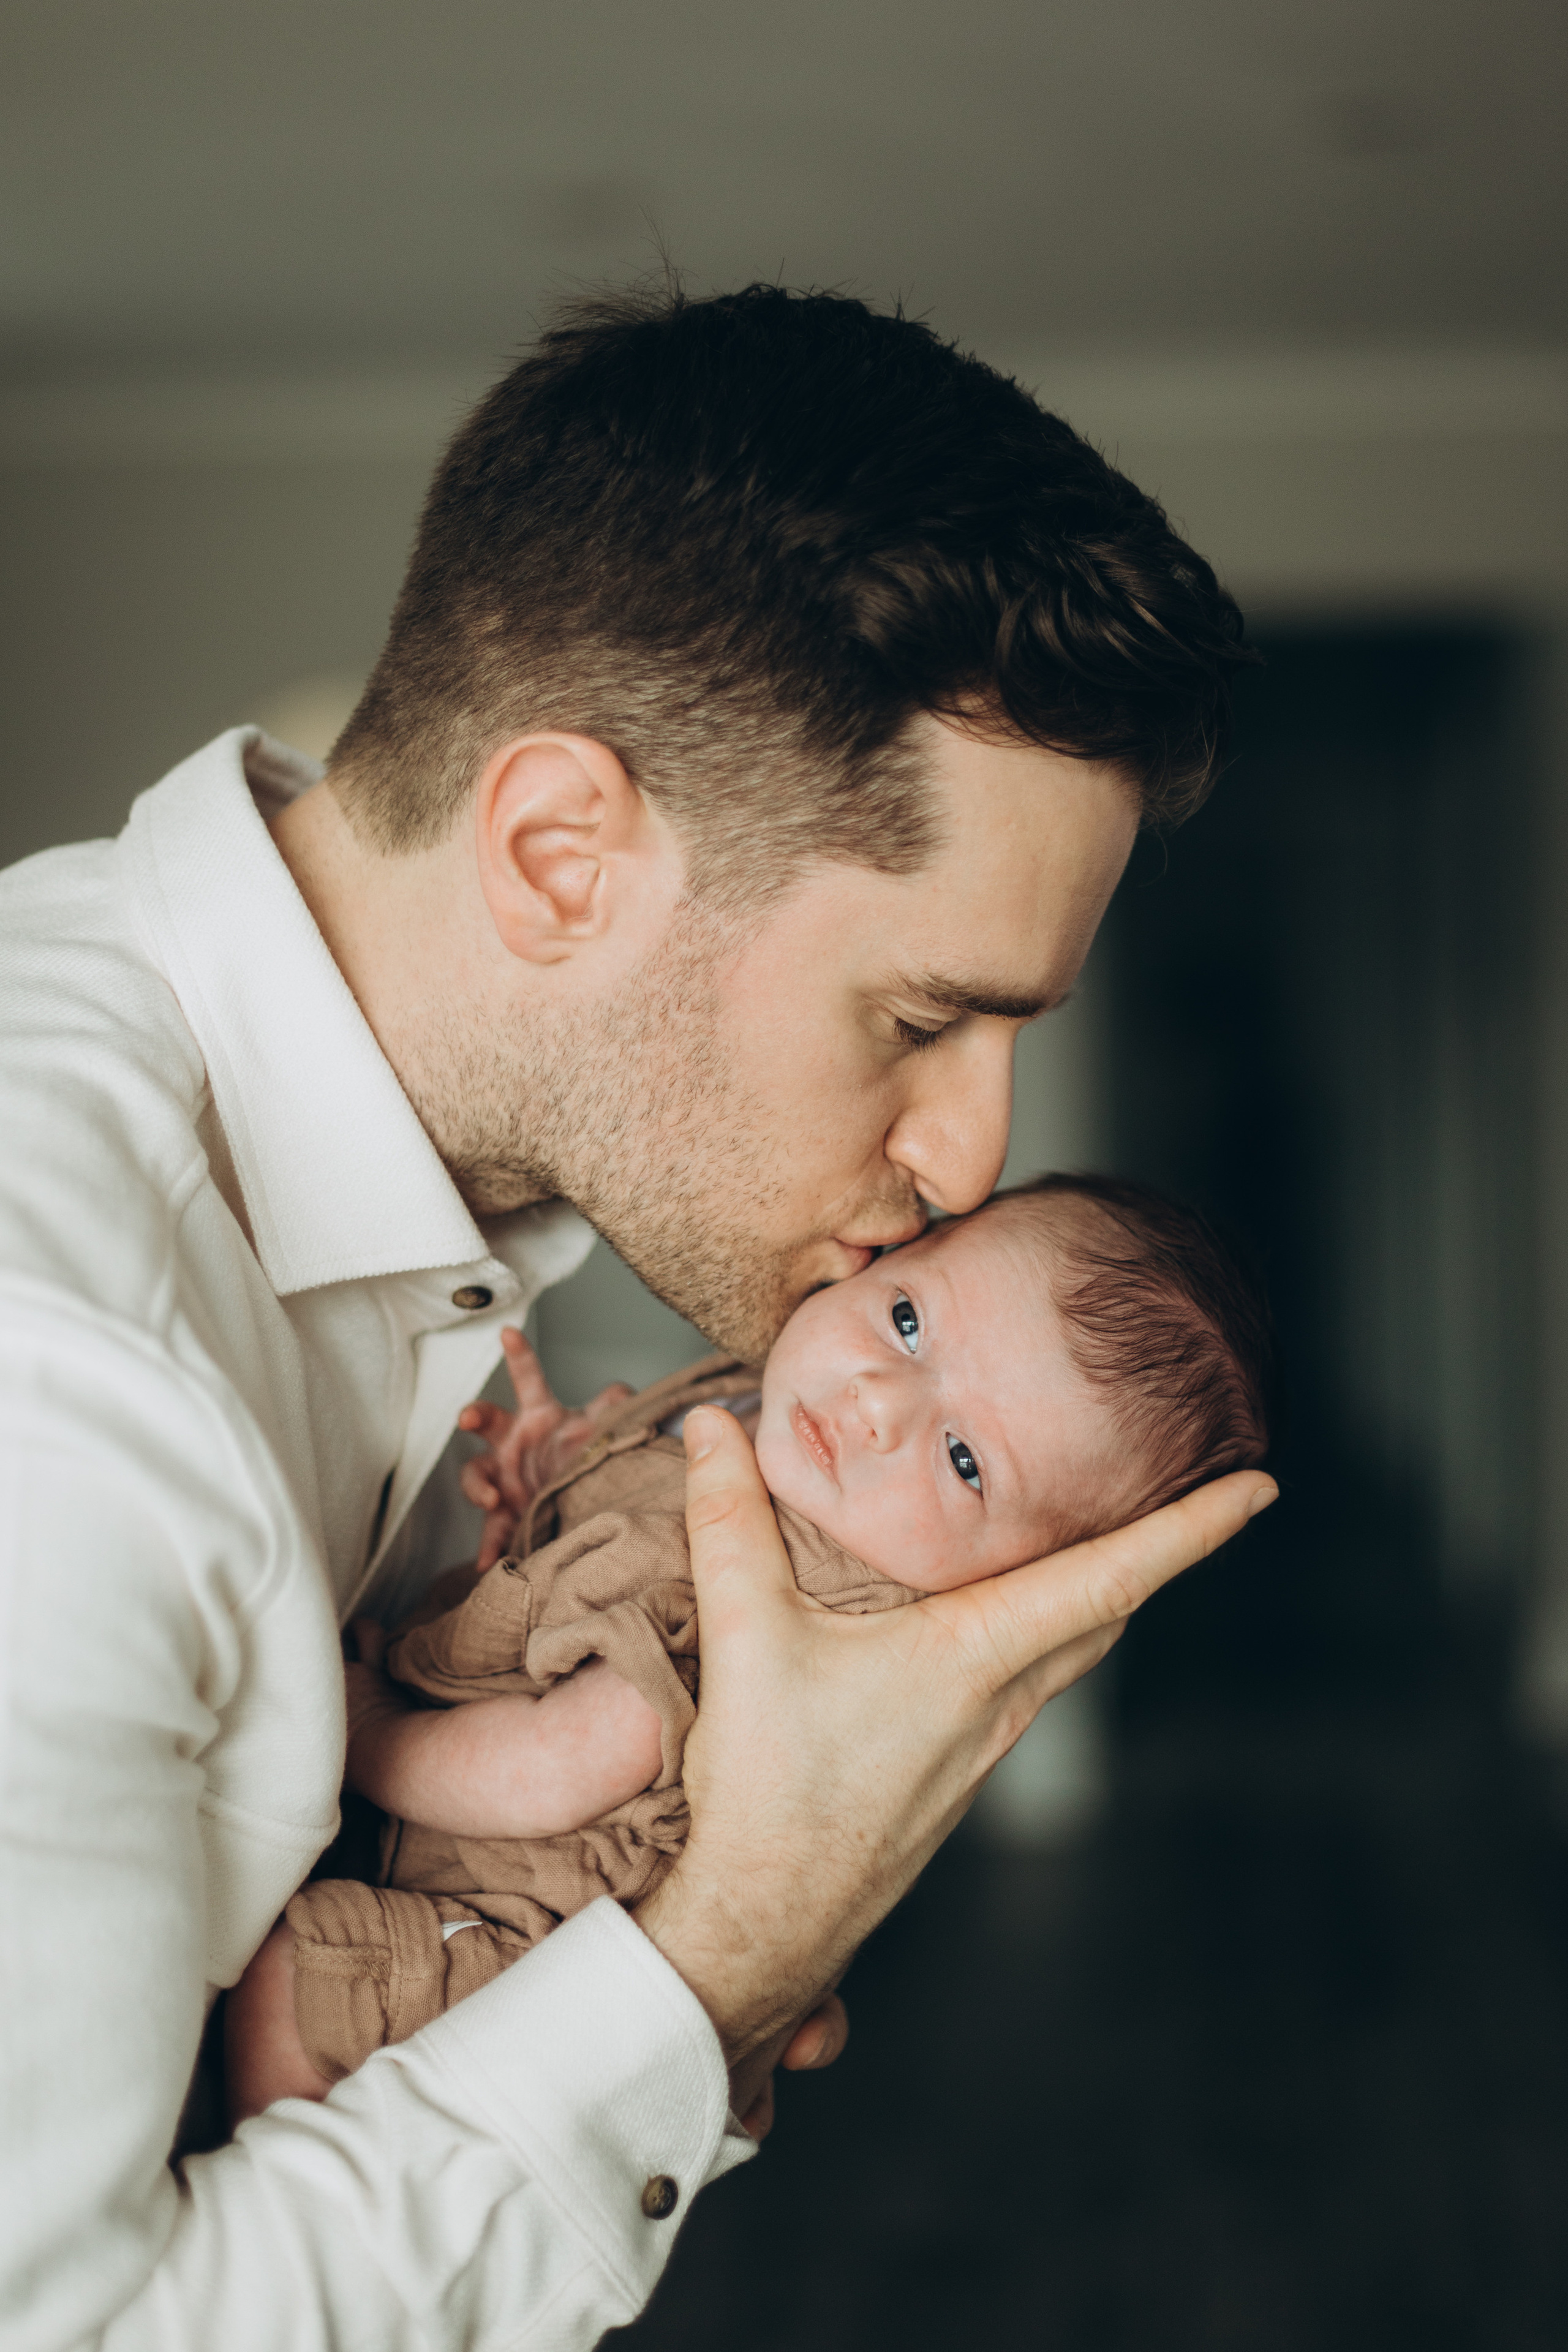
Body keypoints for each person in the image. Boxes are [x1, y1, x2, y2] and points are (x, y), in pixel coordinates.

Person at [0, 282, 1276, 2351]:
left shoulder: (407, 1238)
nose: (969, 1161)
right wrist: (737, 1944)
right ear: (565, 856)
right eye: (924, 1015)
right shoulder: (59, 1380)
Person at [225, 1174, 1278, 2119]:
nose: (877, 1402)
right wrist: (547, 1483)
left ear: (1014, 1585)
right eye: (910, 1321)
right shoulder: (763, 1409)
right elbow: (588, 1571)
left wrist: (358, 1730)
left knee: (297, 1985)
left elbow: (553, 1770)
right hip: (454, 1850)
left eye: (965, 1460)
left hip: (527, 1944)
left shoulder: (772, 1606)